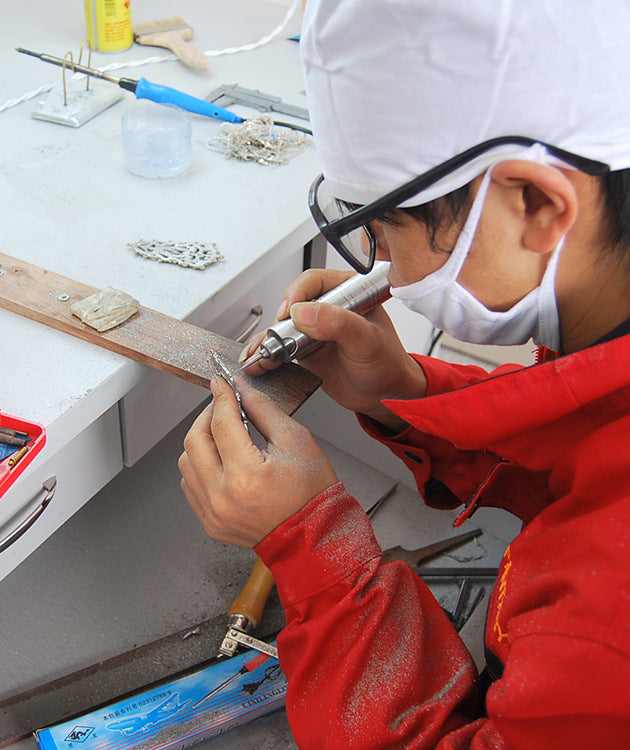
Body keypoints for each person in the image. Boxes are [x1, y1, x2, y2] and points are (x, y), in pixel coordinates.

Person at [178, 1, 630, 747]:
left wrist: (313, 551)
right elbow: (588, 448)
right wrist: (405, 397)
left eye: (386, 226)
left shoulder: (604, 630)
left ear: (537, 204)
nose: (382, 264)